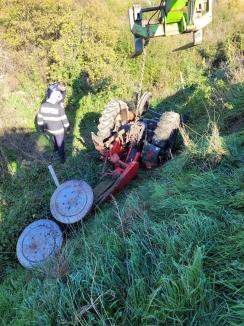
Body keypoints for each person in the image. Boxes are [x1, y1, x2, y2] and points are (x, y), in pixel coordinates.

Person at [37, 90, 70, 163]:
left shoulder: (43, 106)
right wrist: (67, 129)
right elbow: (65, 120)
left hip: (49, 129)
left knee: (53, 138)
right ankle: (62, 160)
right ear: (57, 99)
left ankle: (55, 149)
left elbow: (39, 119)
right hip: (58, 130)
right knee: (61, 144)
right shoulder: (59, 108)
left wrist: (41, 129)